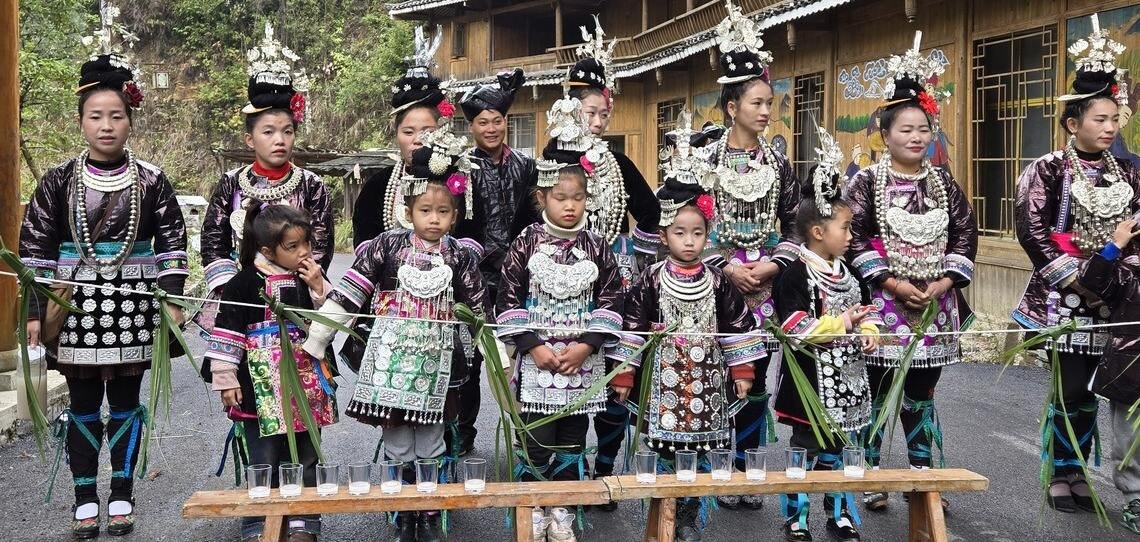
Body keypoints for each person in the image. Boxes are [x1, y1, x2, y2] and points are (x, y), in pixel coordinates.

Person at [19, 8, 188, 538]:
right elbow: (36, 248)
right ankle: (83, 497)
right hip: (75, 309)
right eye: (96, 116)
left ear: (129, 120)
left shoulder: (153, 180)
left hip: (135, 306)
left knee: (127, 406)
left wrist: (172, 297)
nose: (106, 126)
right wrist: (32, 312)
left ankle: (122, 495)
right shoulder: (58, 182)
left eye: (116, 116)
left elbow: (173, 244)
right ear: (80, 121)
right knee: (85, 407)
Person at [303, 118, 485, 542]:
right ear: (408, 211)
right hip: (391, 362)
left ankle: (428, 508)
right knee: (399, 436)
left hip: (441, 362)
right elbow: (350, 292)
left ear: (455, 216)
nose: (434, 219)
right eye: (425, 211)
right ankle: (402, 510)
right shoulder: (385, 246)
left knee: (433, 438)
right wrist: (318, 338)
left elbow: (478, 308)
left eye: (443, 212)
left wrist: (496, 351)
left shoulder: (459, 255)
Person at [611, 115, 765, 541]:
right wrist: (624, 373)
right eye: (680, 232)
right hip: (663, 384)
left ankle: (691, 519)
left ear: (707, 233)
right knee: (662, 451)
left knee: (698, 454)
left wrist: (743, 371)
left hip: (706, 383)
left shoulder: (717, 281)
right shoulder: (649, 279)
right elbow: (633, 325)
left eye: (698, 232)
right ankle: (663, 516)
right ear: (664, 236)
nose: (690, 241)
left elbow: (736, 324)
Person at [845, 32, 977, 512]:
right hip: (884, 305)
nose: (917, 138)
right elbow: (854, 238)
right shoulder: (865, 182)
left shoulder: (943, 180)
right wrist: (895, 283)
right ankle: (874, 477)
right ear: (885, 134)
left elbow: (965, 233)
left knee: (921, 394)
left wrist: (943, 283)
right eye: (906, 130)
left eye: (924, 129)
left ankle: (922, 477)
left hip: (935, 307)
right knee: (880, 393)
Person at [1013, 15, 1139, 514]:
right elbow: (1035, 236)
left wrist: (1119, 273)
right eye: (1098, 119)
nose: (1109, 128)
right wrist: (1083, 283)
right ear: (1073, 123)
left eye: (1115, 119)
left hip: (1122, 295)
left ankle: (1084, 470)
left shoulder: (1130, 171)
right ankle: (1064, 470)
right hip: (1066, 298)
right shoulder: (1045, 170)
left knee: (1110, 387)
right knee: (1072, 387)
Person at [495, 94, 623, 542]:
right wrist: (534, 347)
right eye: (560, 197)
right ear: (541, 197)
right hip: (537, 362)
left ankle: (564, 511)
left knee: (572, 436)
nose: (570, 206)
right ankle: (533, 511)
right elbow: (506, 298)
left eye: (578, 198)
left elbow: (613, 298)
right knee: (535, 436)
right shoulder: (525, 243)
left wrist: (587, 344)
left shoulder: (598, 245)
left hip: (582, 363)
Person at [555, 18, 663, 495]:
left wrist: (633, 256)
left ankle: (605, 466)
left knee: (617, 369)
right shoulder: (553, 157)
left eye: (603, 115)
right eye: (589, 113)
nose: (597, 123)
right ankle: (566, 468)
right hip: (559, 279)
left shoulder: (616, 163)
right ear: (569, 110)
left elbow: (651, 210)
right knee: (569, 370)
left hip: (613, 279)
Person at [704, 0, 802, 510]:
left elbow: (795, 225)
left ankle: (748, 463)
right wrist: (725, 264)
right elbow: (685, 222)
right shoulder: (702, 160)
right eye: (757, 102)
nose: (766, 111)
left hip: (767, 285)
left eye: (770, 103)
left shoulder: (781, 165)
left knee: (756, 377)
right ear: (732, 107)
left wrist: (771, 264)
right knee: (720, 373)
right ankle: (718, 465)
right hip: (716, 282)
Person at [204, 204, 337, 542]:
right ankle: (259, 522)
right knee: (262, 455)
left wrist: (319, 287)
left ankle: (303, 520)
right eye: (293, 247)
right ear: (267, 250)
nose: (304, 252)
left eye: (305, 243)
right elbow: (227, 332)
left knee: (306, 452)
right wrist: (226, 379)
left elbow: (333, 318)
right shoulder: (244, 283)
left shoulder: (310, 277)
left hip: (306, 381)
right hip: (257, 384)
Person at [773, 125, 879, 542]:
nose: (851, 236)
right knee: (805, 448)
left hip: (847, 378)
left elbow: (866, 309)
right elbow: (793, 327)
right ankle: (796, 516)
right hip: (809, 383)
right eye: (847, 228)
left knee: (838, 447)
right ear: (818, 232)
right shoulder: (794, 274)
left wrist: (868, 328)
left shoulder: (850, 272)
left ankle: (839, 512)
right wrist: (844, 324)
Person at [197, 22, 333, 336]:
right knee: (238, 376)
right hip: (241, 297)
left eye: (287, 131)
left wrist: (301, 283)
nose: (279, 140)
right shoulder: (231, 182)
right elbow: (213, 240)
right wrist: (234, 288)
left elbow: (321, 245)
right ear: (249, 139)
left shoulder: (311, 185)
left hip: (295, 298)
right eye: (268, 132)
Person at [453, 68, 536, 455]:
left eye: (498, 121)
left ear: (507, 122)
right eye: (483, 122)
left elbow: (534, 215)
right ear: (471, 126)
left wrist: (523, 254)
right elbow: (455, 220)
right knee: (468, 358)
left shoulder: (526, 165)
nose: (491, 128)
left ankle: (525, 430)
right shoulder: (460, 167)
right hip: (473, 273)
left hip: (519, 273)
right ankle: (462, 431)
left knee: (521, 355)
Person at [352, 25, 449, 246]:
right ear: (396, 134)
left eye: (427, 132)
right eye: (408, 132)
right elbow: (364, 245)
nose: (417, 139)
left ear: (441, 132)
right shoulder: (377, 186)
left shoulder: (459, 181)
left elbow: (471, 240)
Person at [1079, 216, 1140, 534]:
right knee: (1129, 439)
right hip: (1131, 373)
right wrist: (1115, 244)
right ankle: (1135, 498)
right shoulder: (1127, 274)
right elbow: (1090, 279)